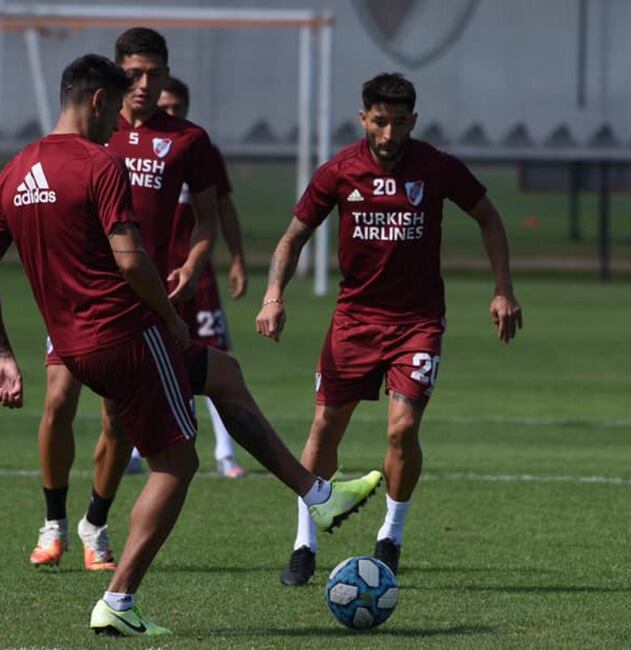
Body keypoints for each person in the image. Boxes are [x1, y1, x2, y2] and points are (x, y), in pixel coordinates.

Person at [28, 27, 383, 582]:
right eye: (135, 75)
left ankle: (95, 528)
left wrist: (197, 267)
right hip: (96, 309)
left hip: (139, 307)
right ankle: (65, 537)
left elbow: (209, 216)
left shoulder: (187, 140)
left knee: (142, 418)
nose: (146, 86)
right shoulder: (89, 141)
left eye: (156, 74)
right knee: (96, 418)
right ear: (113, 83)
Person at [256, 73, 523, 586]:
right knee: (324, 429)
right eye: (379, 121)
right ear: (364, 119)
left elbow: (489, 217)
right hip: (354, 321)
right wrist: (274, 296)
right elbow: (293, 238)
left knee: (402, 429)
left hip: (417, 323)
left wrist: (503, 288)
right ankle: (303, 543)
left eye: (399, 122)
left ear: (413, 122)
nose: (388, 132)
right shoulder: (339, 171)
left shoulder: (437, 167)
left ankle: (391, 535)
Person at [0, 54, 198, 636]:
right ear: (98, 101)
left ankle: (312, 490)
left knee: (216, 378)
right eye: (115, 110)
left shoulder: (15, 169)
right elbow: (130, 259)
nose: (119, 124)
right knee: (177, 460)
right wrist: (169, 316)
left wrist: (1, 352)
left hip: (68, 343)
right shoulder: (102, 163)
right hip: (122, 331)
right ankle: (118, 600)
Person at [161, 76, 249, 479]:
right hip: (153, 274)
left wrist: (238, 259)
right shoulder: (127, 148)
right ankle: (132, 451)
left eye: (177, 107)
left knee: (214, 359)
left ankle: (226, 453)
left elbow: (223, 207)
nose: (171, 113)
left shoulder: (200, 150)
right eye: (165, 107)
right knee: (143, 361)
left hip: (198, 276)